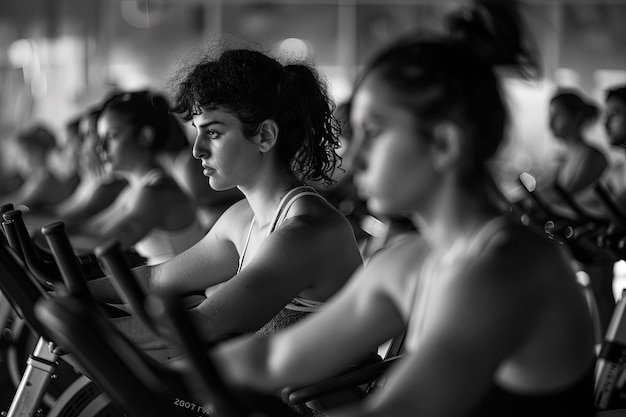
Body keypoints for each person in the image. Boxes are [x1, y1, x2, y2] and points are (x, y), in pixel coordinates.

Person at [211, 2, 597, 416]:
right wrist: (164, 375)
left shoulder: (507, 271)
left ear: (443, 145)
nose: (355, 158)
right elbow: (274, 358)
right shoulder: (407, 264)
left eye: (373, 133)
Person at [87, 49, 363, 350]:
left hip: (310, 396)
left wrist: (83, 329)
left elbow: (204, 325)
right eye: (197, 132)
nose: (197, 150)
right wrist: (62, 291)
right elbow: (158, 279)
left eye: (213, 133)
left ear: (264, 136)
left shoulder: (304, 232)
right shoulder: (243, 217)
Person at [67, 90, 205, 266]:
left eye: (112, 136)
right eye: (100, 138)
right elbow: (90, 229)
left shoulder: (156, 192)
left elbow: (107, 242)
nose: (101, 147)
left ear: (144, 137)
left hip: (188, 291)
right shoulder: (133, 190)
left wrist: (44, 235)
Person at [0, 123, 80, 211]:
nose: (18, 163)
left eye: (21, 156)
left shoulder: (43, 180)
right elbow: (16, 196)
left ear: (36, 153)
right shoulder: (35, 178)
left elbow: (15, 203)